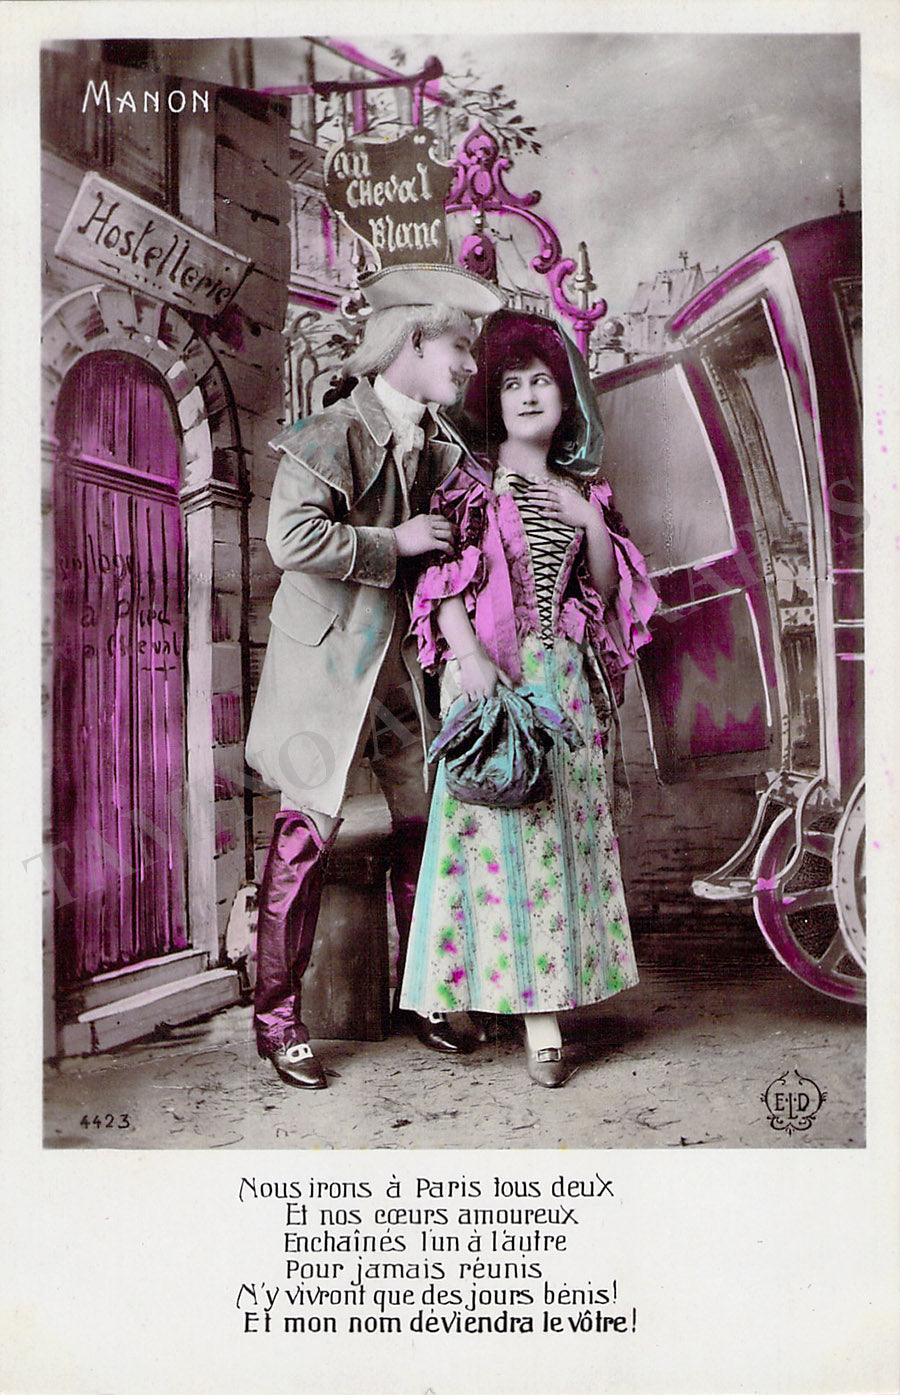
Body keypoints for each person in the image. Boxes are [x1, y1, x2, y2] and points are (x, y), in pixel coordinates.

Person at [246, 264, 506, 1089]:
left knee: (424, 829)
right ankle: (276, 1021)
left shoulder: (442, 445)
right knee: (305, 835)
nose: (469, 364)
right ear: (414, 341)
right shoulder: (331, 430)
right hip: (326, 665)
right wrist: (395, 543)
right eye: (459, 345)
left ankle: (425, 995)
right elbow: (290, 541)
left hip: (401, 674)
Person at [399, 310, 658, 1086]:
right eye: (512, 384)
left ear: (565, 399)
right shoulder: (470, 484)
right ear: (494, 400)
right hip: (493, 679)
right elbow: (437, 579)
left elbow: (606, 594)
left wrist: (592, 524)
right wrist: (470, 654)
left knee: (554, 850)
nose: (528, 395)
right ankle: (511, 1010)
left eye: (542, 381)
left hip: (565, 686)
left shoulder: (584, 491)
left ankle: (546, 1003)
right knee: (497, 844)